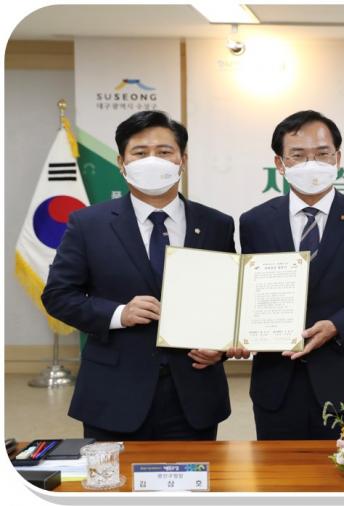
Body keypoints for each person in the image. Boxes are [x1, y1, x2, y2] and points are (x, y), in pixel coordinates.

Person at [42, 110, 234, 440]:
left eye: (164, 151)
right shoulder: (88, 224)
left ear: (183, 160)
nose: (152, 161)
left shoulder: (217, 224)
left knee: (191, 475)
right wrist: (119, 314)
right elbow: (58, 296)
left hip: (194, 393)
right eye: (140, 153)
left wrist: (222, 347)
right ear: (121, 162)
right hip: (113, 394)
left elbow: (229, 299)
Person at [230, 110, 344, 440]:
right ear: (280, 163)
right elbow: (247, 289)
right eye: (298, 155)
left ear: (338, 158)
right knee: (277, 471)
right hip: (277, 381)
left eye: (322, 154)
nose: (312, 164)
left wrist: (338, 325)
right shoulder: (255, 221)